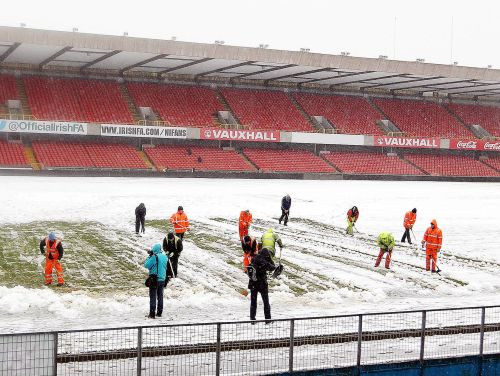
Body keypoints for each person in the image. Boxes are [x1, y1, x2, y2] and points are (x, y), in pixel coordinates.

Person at [248, 247, 276, 322]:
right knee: (266, 302)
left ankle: (252, 319)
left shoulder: (255, 258)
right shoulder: (263, 261)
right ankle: (268, 319)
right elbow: (272, 267)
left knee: (253, 303)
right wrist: (270, 259)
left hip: (253, 283)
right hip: (261, 284)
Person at [144, 243, 168, 319]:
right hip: (162, 279)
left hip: (154, 279)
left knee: (153, 296)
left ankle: (152, 314)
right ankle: (159, 312)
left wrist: (149, 256)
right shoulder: (165, 256)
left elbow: (146, 265)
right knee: (160, 296)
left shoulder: (154, 257)